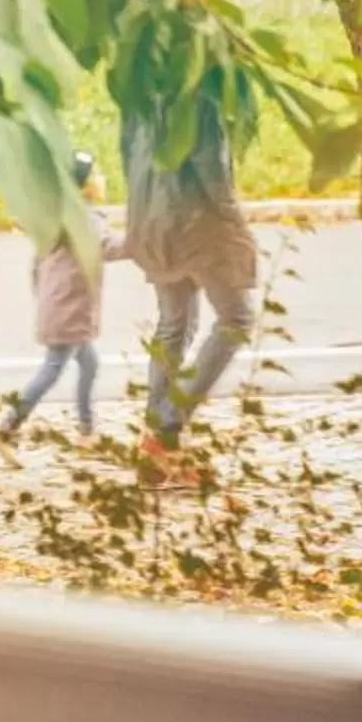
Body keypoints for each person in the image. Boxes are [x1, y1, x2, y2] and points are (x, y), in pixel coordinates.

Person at [119, 72, 261, 454]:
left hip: (151, 216)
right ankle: (167, 423)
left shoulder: (138, 87)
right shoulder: (200, 84)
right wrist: (234, 220)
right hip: (196, 221)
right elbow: (211, 165)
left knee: (173, 324)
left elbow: (125, 152)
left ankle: (157, 443)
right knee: (237, 319)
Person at [0, 151, 108, 438]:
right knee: (52, 368)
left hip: (62, 308)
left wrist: (47, 299)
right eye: (95, 174)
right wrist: (144, 242)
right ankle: (10, 422)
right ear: (83, 187)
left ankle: (86, 426)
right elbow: (108, 246)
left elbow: (36, 269)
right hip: (69, 311)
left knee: (89, 362)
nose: (101, 179)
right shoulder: (86, 221)